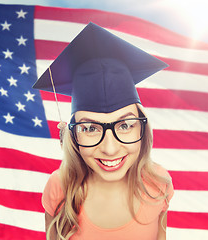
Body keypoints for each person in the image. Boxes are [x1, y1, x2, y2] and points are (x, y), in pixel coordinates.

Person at [33, 22, 174, 240]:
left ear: (143, 129)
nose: (109, 149)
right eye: (90, 128)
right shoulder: (59, 188)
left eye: (125, 125)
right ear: (72, 135)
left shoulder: (158, 183)